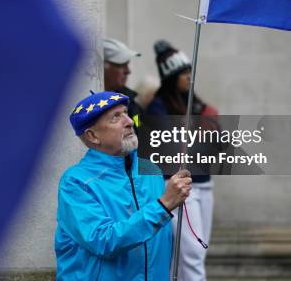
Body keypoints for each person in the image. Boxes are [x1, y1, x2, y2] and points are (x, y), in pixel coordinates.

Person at [55, 91, 193, 280]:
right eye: (115, 117)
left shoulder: (151, 170)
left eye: (126, 113)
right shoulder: (76, 183)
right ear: (93, 136)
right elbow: (103, 241)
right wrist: (164, 205)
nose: (129, 121)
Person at [146, 40, 218, 281]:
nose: (189, 77)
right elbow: (166, 145)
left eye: (190, 71)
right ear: (171, 77)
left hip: (204, 184)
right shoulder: (158, 107)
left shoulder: (196, 105)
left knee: (194, 253)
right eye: (183, 73)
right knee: (192, 253)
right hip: (180, 186)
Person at [103, 38, 144, 121]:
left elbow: (140, 128)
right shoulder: (90, 104)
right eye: (121, 65)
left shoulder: (130, 102)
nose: (128, 71)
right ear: (102, 66)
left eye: (127, 64)